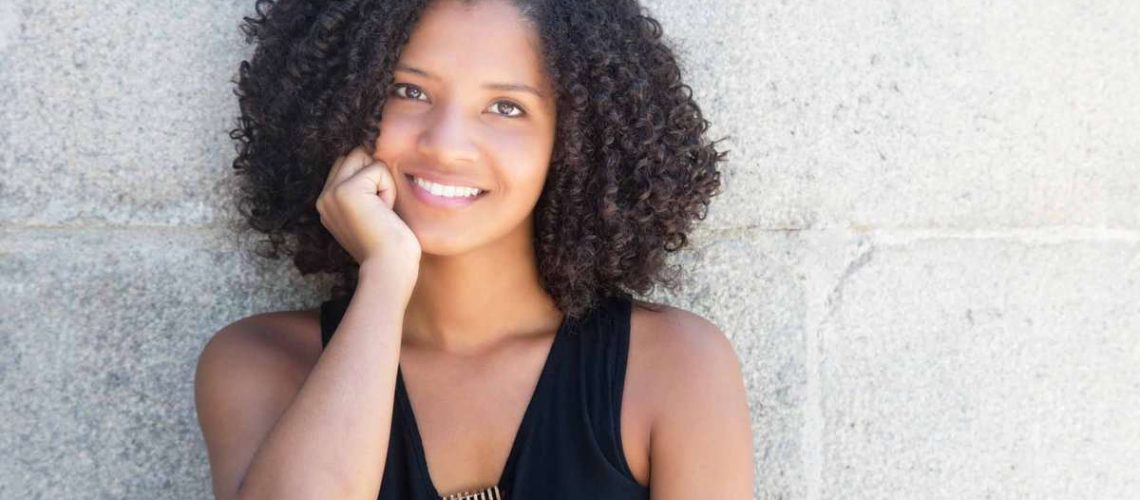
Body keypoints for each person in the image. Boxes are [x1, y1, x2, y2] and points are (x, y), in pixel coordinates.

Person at [195, 0, 754, 498]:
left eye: (506, 107)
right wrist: (386, 276)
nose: (446, 144)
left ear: (577, 142)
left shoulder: (671, 367)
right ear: (343, 106)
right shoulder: (261, 361)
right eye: (408, 91)